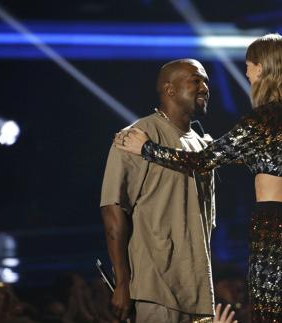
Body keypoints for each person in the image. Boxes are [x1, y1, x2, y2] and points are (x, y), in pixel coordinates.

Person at [116, 33, 282, 322]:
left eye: (249, 65)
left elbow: (202, 161)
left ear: (262, 67)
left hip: (276, 232)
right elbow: (266, 157)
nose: (247, 73)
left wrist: (146, 148)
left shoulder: (262, 119)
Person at [100, 58, 221, 323]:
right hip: (156, 291)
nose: (204, 87)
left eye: (207, 82)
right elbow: (113, 212)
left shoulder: (203, 146)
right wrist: (122, 282)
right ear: (170, 89)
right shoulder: (136, 137)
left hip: (198, 294)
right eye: (196, 80)